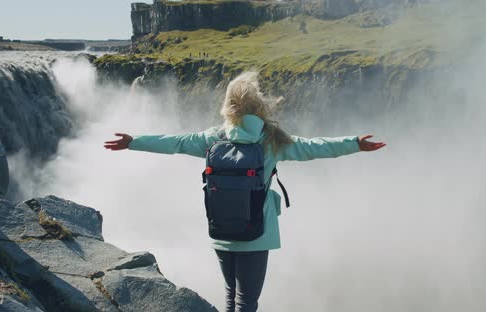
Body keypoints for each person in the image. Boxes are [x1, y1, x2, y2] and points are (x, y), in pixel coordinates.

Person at [103, 72, 386, 312]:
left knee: (230, 297)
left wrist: (133, 141)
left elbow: (175, 142)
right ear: (260, 107)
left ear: (229, 105)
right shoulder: (273, 140)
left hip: (222, 229)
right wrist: (354, 143)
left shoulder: (213, 138)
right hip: (256, 233)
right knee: (247, 302)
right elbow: (315, 147)